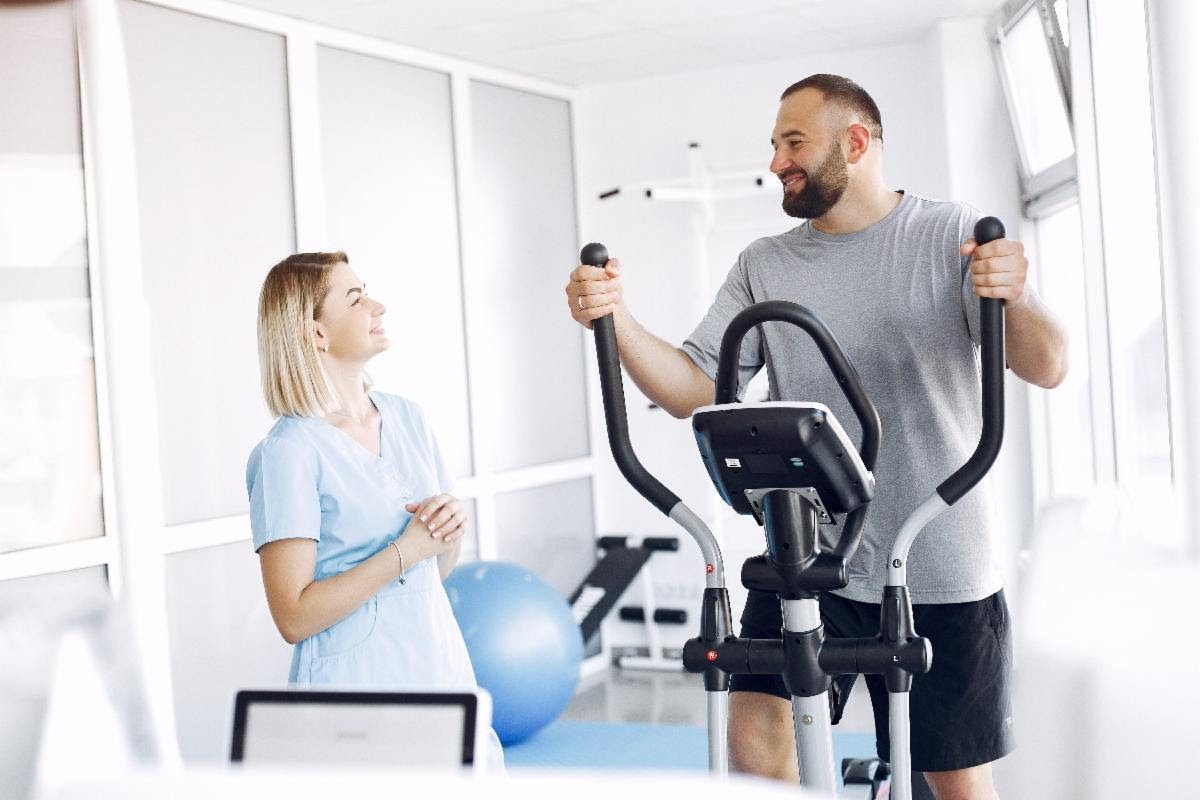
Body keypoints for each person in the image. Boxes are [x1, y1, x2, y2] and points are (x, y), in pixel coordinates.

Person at [565, 74, 1067, 799]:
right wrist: (614, 322)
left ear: (855, 143)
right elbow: (691, 387)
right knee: (758, 747)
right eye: (774, 145)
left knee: (954, 782)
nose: (776, 161)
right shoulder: (763, 264)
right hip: (808, 553)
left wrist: (1012, 294)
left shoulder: (948, 236)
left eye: (793, 142)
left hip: (938, 559)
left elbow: (1048, 365)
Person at [247, 250, 503, 765]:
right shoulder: (288, 453)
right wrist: (405, 551)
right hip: (353, 698)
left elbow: (438, 565)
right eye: (357, 298)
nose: (377, 306)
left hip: (439, 667)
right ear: (316, 333)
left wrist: (447, 532)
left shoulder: (408, 417)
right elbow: (293, 616)